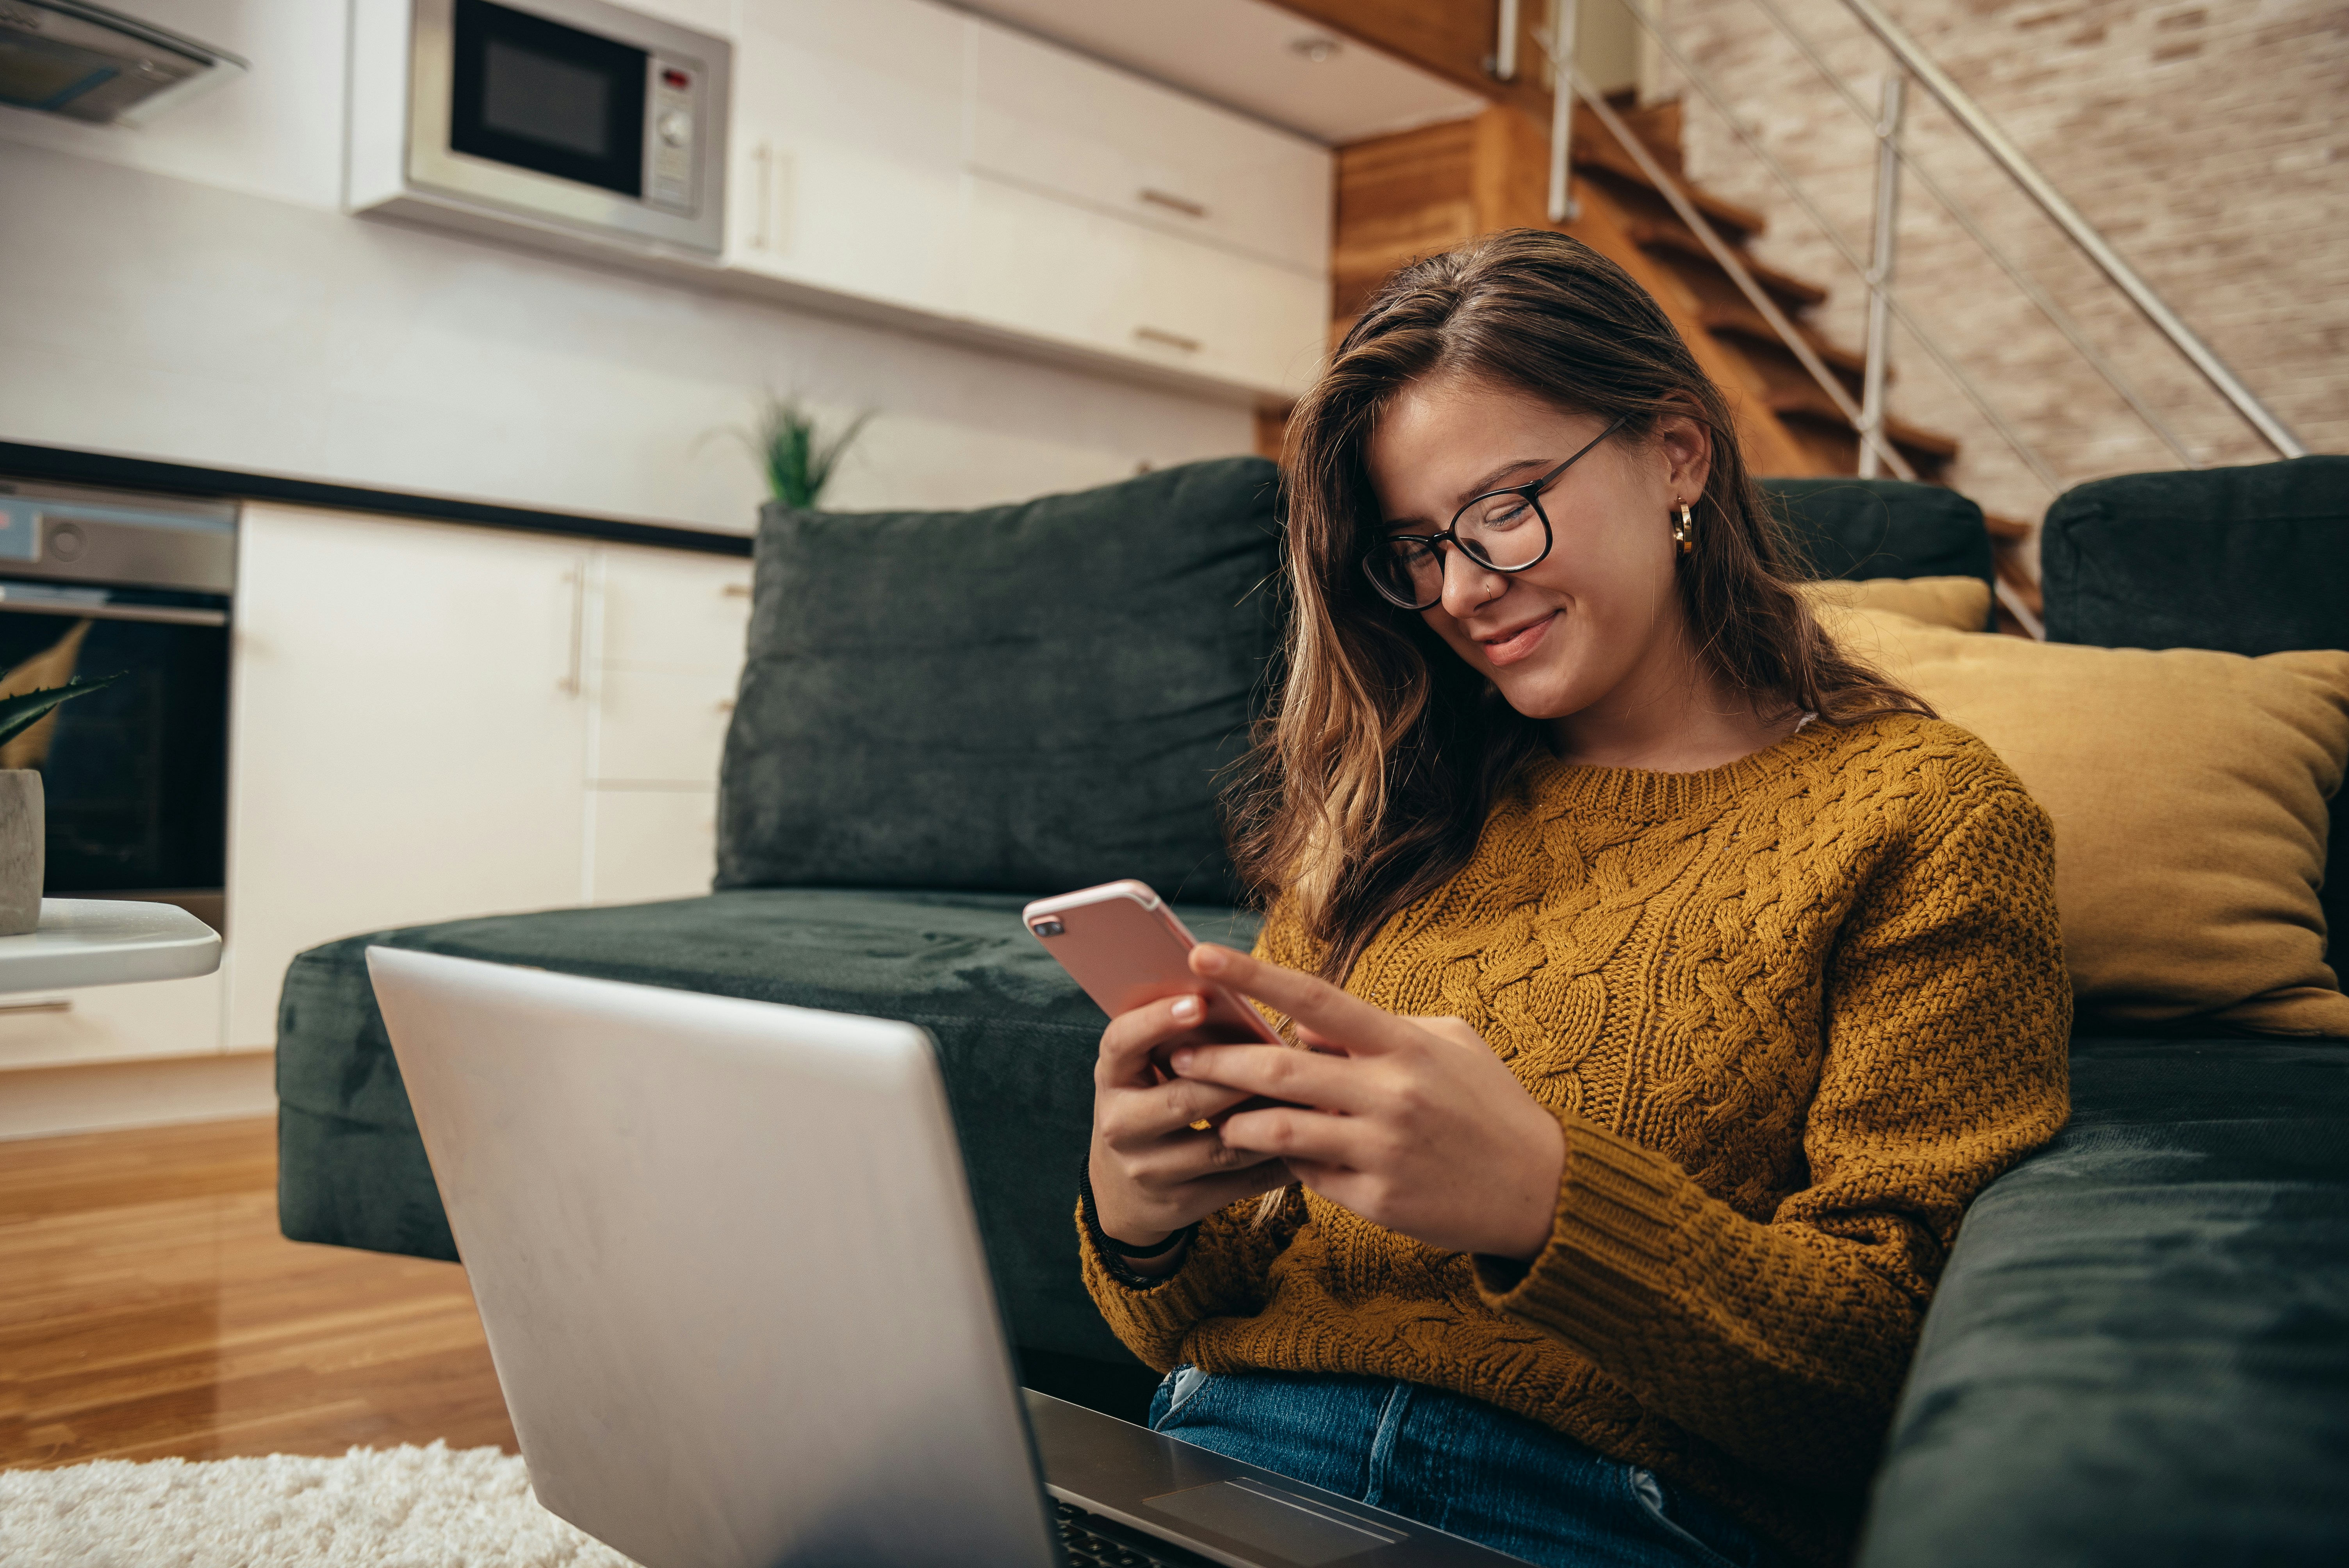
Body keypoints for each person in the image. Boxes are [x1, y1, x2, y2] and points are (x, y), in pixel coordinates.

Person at [1075, 229, 2071, 1568]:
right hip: (1218, 1460)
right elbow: (1193, 1318)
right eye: (1418, 546)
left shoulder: (1926, 814)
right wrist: (1139, 1223)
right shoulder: (1389, 810)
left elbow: (1900, 1373)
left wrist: (1546, 1200)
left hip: (1584, 1512)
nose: (1465, 589)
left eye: (1506, 504)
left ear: (1677, 451)